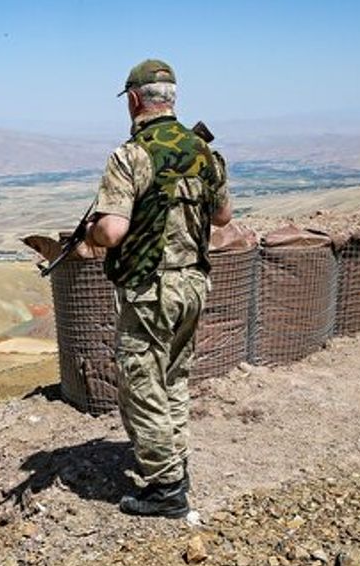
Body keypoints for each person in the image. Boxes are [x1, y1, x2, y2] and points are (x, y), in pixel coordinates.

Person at [83, 59, 232, 518]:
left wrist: (90, 233)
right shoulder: (204, 152)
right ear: (172, 98)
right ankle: (176, 462)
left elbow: (111, 232)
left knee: (140, 381)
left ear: (133, 101)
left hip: (150, 289)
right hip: (193, 284)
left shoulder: (131, 156)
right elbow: (223, 217)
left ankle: (166, 487)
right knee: (174, 377)